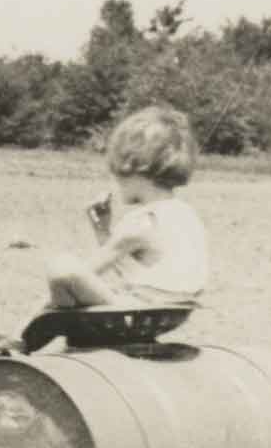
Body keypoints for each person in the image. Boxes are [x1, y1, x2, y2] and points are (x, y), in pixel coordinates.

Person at [45, 105, 208, 308]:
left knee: (62, 267)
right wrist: (102, 230)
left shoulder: (142, 221)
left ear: (136, 168)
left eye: (118, 175)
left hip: (138, 308)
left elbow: (91, 270)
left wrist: (45, 306)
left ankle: (22, 337)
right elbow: (127, 267)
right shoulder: (185, 214)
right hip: (172, 309)